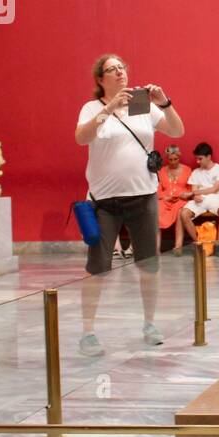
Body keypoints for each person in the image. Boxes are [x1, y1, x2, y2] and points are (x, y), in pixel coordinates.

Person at [74, 54, 184, 356]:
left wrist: (164, 103)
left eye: (122, 68)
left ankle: (150, 323)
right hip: (103, 202)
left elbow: (176, 131)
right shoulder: (93, 107)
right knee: (98, 266)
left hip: (143, 197)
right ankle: (88, 331)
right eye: (112, 70)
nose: (120, 73)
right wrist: (109, 108)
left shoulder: (140, 104)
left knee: (149, 264)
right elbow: (82, 138)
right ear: (100, 79)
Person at [182, 142, 219, 253]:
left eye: (200, 159)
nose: (197, 161)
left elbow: (214, 189)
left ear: (209, 157)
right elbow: (193, 190)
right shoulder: (196, 172)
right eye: (197, 159)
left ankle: (218, 244)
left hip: (216, 198)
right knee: (184, 214)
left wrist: (194, 193)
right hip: (200, 201)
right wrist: (195, 196)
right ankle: (199, 244)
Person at [157, 144, 193, 250]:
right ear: (167, 158)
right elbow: (158, 188)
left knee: (180, 212)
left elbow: (191, 188)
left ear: (179, 157)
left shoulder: (187, 170)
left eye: (175, 159)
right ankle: (156, 248)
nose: (173, 162)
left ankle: (178, 245)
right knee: (156, 210)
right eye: (170, 159)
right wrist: (164, 197)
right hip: (165, 199)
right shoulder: (161, 171)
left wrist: (185, 195)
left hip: (181, 199)